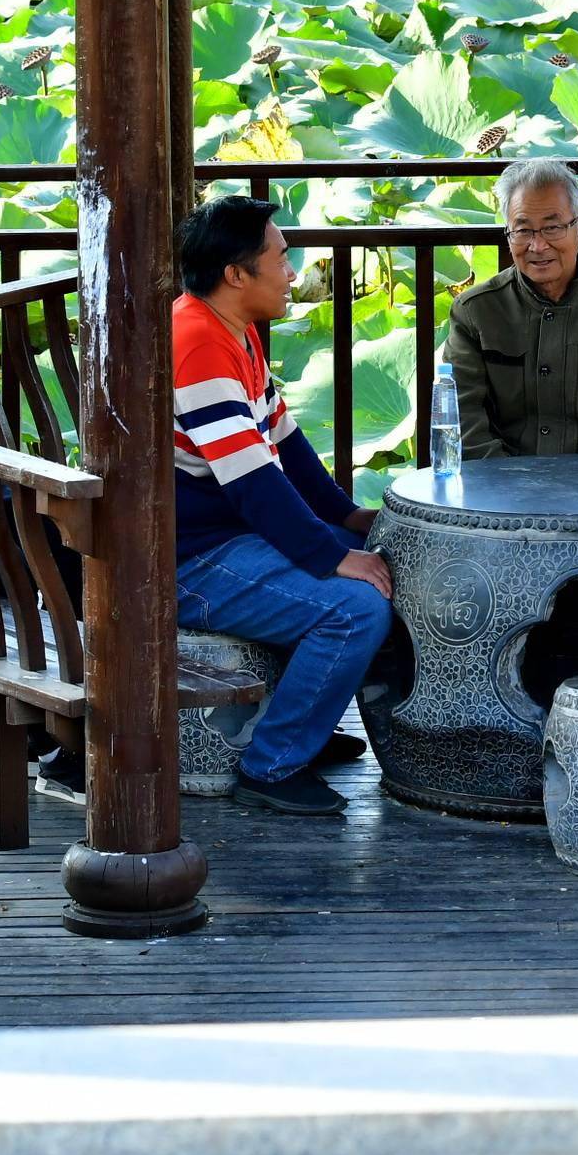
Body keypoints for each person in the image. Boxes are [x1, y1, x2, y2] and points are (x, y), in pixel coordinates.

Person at [171, 193, 394, 817]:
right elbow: (252, 484)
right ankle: (274, 762)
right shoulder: (197, 343)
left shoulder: (228, 328)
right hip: (190, 559)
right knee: (353, 611)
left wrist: (346, 517)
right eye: (281, 258)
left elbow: (285, 443)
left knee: (387, 557)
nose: (292, 273)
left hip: (229, 535)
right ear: (236, 275)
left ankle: (305, 726)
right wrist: (331, 554)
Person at [439, 160, 578, 461]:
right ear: (509, 235)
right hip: (498, 496)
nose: (538, 245)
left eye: (552, 228)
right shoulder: (474, 313)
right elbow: (464, 426)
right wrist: (513, 493)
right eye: (523, 230)